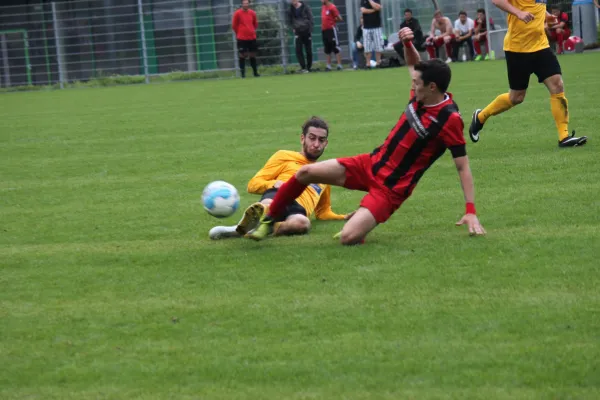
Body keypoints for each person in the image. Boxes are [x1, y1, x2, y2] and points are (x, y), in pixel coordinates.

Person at [247, 27, 486, 245]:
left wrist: (471, 210)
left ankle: (359, 223)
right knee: (305, 172)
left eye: (416, 83)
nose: (412, 84)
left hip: (391, 189)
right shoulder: (422, 92)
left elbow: (462, 167)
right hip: (371, 163)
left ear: (432, 87)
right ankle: (269, 221)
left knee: (348, 238)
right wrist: (408, 44)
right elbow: (415, 66)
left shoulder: (449, 119)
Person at [209, 117, 351, 240]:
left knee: (303, 224)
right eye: (312, 138)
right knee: (267, 206)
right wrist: (274, 184)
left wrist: (345, 217)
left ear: (326, 143)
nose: (316, 144)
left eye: (321, 140)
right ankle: (243, 225)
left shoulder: (323, 172)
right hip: (278, 195)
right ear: (303, 138)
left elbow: (323, 213)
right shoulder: (284, 156)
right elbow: (253, 184)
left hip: (298, 209)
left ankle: (262, 228)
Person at [469, 0, 587, 147]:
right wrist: (518, 13)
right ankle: (480, 117)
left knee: (557, 85)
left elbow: (534, 6)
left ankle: (564, 137)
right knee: (516, 97)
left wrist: (547, 16)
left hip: (540, 46)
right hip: (517, 48)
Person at [232, 0, 259, 78]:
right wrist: (240, 32)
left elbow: (255, 24)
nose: (245, 5)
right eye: (244, 3)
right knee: (242, 55)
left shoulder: (252, 13)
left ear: (249, 4)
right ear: (242, 4)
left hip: (252, 37)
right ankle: (243, 74)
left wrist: (251, 30)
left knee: (252, 55)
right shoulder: (237, 13)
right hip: (242, 38)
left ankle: (255, 73)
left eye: (247, 3)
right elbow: (234, 25)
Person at [288, 0, 314, 73]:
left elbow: (311, 18)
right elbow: (290, 20)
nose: (293, 2)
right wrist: (293, 28)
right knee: (298, 50)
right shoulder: (290, 9)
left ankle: (309, 67)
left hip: (306, 31)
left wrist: (310, 29)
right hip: (298, 31)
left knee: (308, 50)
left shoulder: (305, 7)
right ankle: (303, 67)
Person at [321, 0, 343, 71]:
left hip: (331, 30)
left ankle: (339, 65)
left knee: (335, 46)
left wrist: (333, 21)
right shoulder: (323, 6)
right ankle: (328, 66)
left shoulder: (332, 7)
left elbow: (340, 18)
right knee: (327, 48)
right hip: (324, 30)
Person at [361, 0, 384, 67]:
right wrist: (374, 10)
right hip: (366, 27)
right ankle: (368, 64)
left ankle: (378, 63)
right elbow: (363, 10)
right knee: (367, 46)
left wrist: (370, 1)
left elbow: (378, 8)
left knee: (378, 45)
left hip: (376, 26)